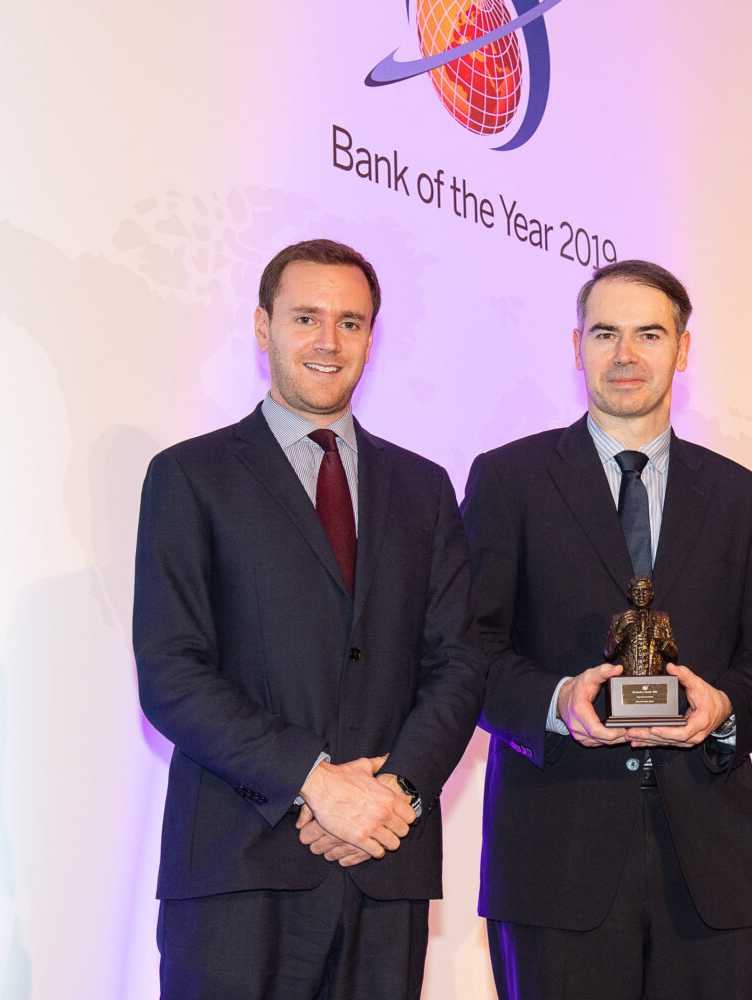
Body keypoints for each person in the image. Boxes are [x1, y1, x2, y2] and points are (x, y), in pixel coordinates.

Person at [133, 239, 485, 999]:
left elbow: (459, 663)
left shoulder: (424, 488)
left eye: (350, 322)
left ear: (371, 338)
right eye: (305, 318)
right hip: (237, 869)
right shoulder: (190, 475)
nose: (329, 340)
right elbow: (171, 673)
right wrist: (316, 783)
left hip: (384, 865)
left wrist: (394, 795)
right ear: (263, 326)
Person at [461, 260, 752, 999]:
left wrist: (723, 708)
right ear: (576, 345)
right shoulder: (508, 480)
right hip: (555, 863)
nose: (625, 354)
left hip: (716, 870)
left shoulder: (741, 496)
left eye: (649, 334)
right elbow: (468, 648)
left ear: (683, 349)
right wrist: (558, 702)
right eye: (605, 334)